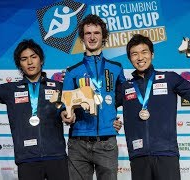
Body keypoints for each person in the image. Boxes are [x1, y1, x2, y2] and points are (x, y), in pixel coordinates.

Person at [0, 39, 69, 180]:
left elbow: (72, 111)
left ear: (41, 60)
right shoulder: (11, 90)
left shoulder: (59, 87)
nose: (30, 62)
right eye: (24, 59)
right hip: (27, 160)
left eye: (33, 57)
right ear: (19, 65)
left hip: (57, 157)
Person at [116, 34, 190, 180]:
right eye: (134, 54)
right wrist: (111, 121)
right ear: (130, 59)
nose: (140, 58)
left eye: (144, 52)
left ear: (152, 54)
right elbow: (105, 110)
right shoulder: (125, 87)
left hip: (167, 154)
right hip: (138, 156)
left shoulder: (170, 79)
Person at [61, 14, 126, 180]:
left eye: (96, 33)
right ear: (82, 37)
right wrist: (65, 114)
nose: (92, 37)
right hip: (78, 143)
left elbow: (124, 98)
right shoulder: (72, 71)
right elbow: (64, 104)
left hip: (106, 142)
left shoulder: (116, 68)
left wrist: (113, 118)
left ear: (103, 36)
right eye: (88, 33)